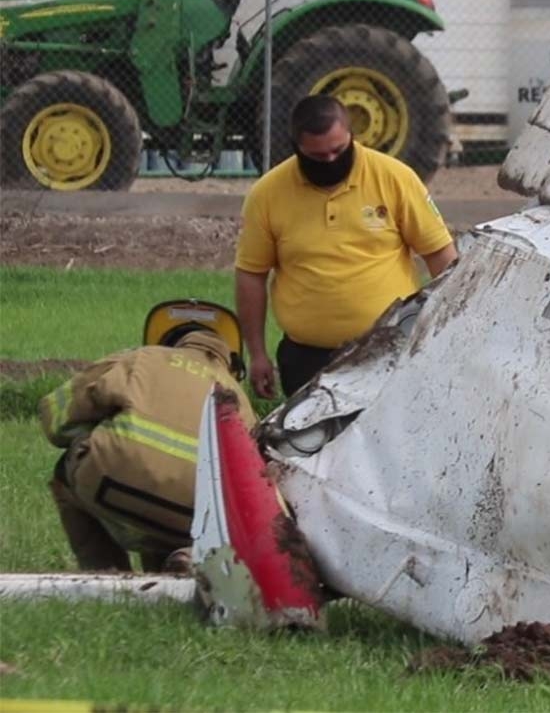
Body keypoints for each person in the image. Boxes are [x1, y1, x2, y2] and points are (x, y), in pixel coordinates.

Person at [235, 95, 457, 398]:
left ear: (352, 135)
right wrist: (257, 354)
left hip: (387, 351)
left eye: (338, 151)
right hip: (306, 359)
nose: (329, 161)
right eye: (317, 156)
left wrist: (449, 333)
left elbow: (442, 257)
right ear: (296, 147)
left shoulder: (395, 178)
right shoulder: (267, 194)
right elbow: (251, 274)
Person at [39, 300, 257, 573]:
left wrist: (90, 433)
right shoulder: (241, 400)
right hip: (191, 521)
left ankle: (103, 575)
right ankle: (179, 565)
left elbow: (55, 417)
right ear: (232, 360)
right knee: (184, 500)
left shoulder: (143, 358)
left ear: (167, 341)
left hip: (108, 488)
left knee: (67, 473)